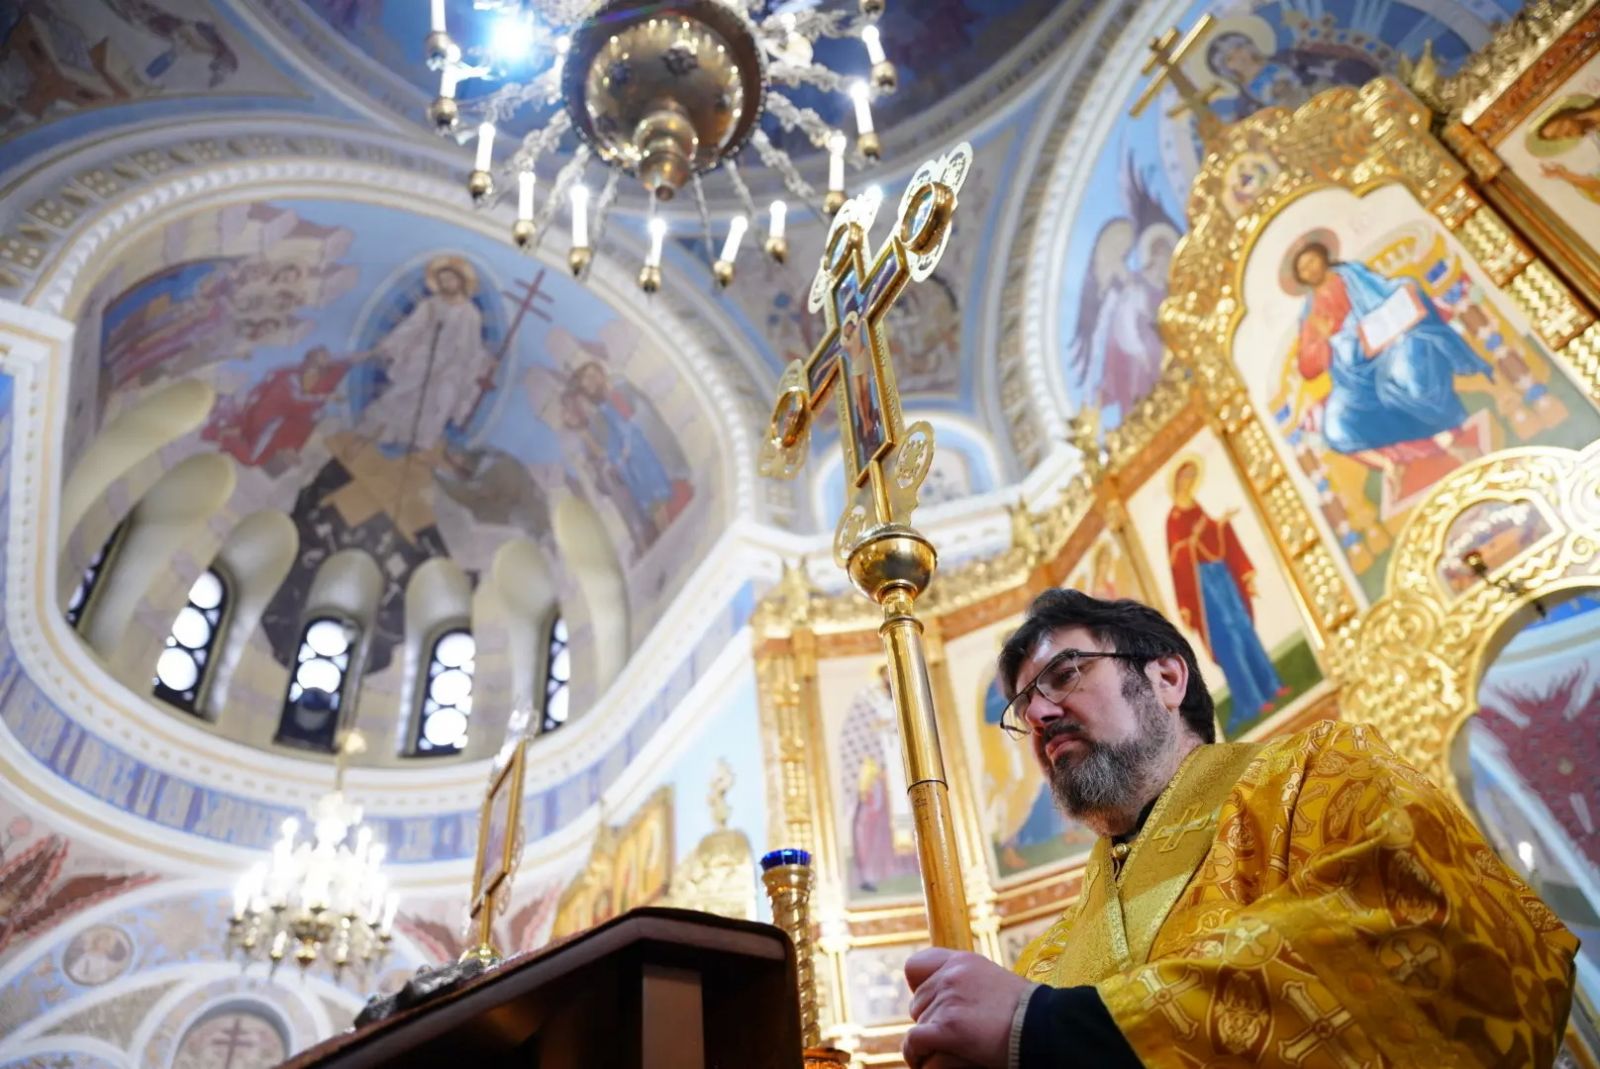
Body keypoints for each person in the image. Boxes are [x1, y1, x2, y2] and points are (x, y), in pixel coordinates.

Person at [901, 589, 1576, 1068]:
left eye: (1065, 674)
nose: (1040, 714)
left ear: (1166, 677)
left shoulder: (1320, 774)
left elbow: (1433, 924)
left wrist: (1048, 1027)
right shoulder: (1048, 957)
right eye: (1023, 706)